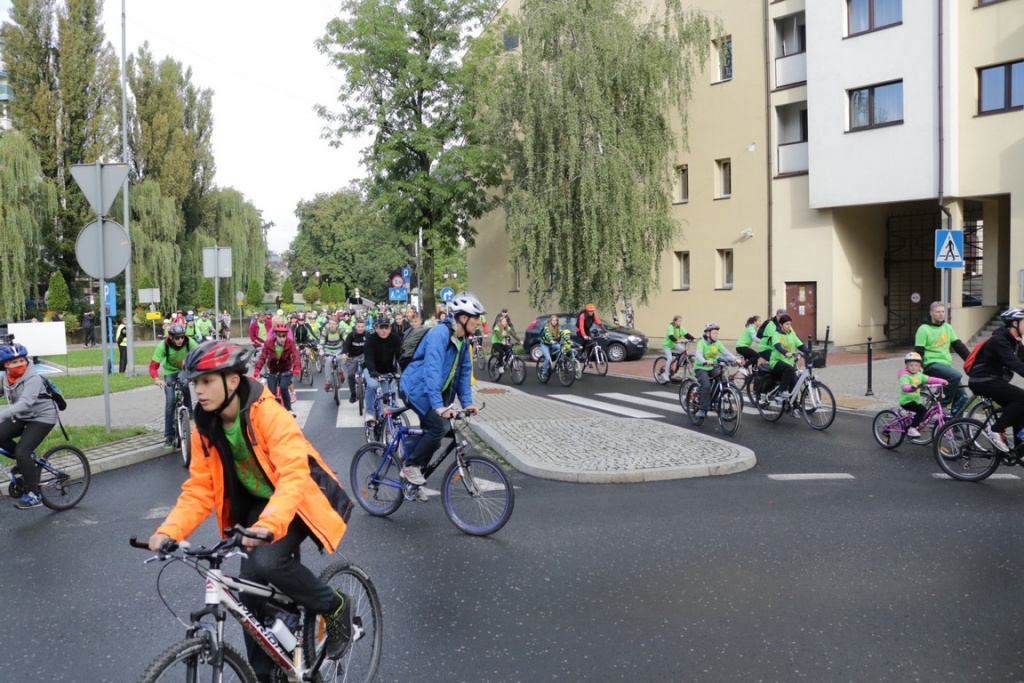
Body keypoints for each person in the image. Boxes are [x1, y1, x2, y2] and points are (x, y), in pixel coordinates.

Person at [147, 341, 353, 680]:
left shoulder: (268, 413)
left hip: (296, 500)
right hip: (258, 504)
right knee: (247, 593)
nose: (198, 390)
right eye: (195, 382)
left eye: (206, 381)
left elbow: (292, 474)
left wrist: (270, 524)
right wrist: (170, 531)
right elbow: (200, 488)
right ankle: (265, 672)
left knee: (269, 562)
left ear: (232, 381)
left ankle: (335, 605)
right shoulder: (206, 427)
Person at [399, 294, 482, 498]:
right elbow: (432, 371)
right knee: (439, 427)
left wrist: (467, 403)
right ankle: (410, 467)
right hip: (416, 389)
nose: (479, 322)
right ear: (463, 318)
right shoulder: (439, 334)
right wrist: (439, 406)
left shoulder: (463, 340)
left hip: (433, 392)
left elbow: (463, 373)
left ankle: (412, 483)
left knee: (437, 434)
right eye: (476, 317)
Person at [0, 343, 58, 509]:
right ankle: (26, 461)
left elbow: (26, 402)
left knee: (22, 451)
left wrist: (2, 414)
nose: (19, 364)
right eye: (14, 362)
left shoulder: (33, 378)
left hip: (43, 417)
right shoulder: (6, 377)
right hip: (23, 416)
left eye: (21, 360)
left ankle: (34, 494)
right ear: (6, 364)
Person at [965, 308, 1024, 452]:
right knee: (1022, 397)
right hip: (982, 380)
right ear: (1015, 323)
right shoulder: (999, 341)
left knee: (1019, 411)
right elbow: (1016, 365)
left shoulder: (1015, 342)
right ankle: (996, 429)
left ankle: (1019, 453)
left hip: (993, 380)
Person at [914, 301, 971, 415]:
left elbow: (959, 347)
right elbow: (919, 352)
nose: (941, 314)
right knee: (955, 375)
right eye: (937, 312)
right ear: (931, 313)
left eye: (943, 311)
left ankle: (954, 422)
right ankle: (943, 403)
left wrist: (973, 361)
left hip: (945, 366)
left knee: (963, 396)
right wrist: (918, 369)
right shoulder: (923, 329)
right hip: (930, 365)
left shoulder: (947, 328)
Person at [150, 322, 200, 448]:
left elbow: (200, 356)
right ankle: (169, 436)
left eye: (182, 337)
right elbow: (153, 366)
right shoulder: (163, 346)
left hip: (184, 370)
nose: (180, 340)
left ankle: (189, 411)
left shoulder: (189, 342)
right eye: (177, 338)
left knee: (184, 383)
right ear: (171, 337)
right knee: (170, 402)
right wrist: (157, 379)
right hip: (170, 373)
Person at [693, 323, 742, 418]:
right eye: (714, 333)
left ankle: (715, 398)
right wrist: (704, 361)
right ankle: (703, 409)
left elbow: (725, 352)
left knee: (723, 380)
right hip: (701, 367)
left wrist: (735, 359)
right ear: (708, 334)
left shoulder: (717, 343)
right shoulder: (701, 343)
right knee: (706, 385)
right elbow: (698, 354)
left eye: (717, 333)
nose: (716, 335)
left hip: (712, 366)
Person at [253, 319, 301, 414]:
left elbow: (296, 356)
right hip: (273, 369)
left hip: (285, 369)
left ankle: (289, 409)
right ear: (275, 335)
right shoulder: (268, 343)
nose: (282, 338)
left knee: (283, 387)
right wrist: (257, 370)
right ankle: (273, 411)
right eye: (280, 336)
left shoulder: (290, 343)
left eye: (284, 336)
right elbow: (263, 357)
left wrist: (297, 368)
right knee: (272, 392)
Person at [898, 352, 947, 439]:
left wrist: (941, 381)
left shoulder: (919, 375)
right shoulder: (904, 376)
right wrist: (911, 388)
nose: (913, 367)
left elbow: (930, 379)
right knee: (921, 411)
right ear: (907, 366)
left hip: (915, 400)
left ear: (919, 366)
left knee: (924, 411)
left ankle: (913, 424)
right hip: (906, 401)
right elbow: (904, 386)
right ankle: (912, 429)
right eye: (911, 365)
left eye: (916, 365)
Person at [362, 318, 402, 425]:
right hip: (371, 369)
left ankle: (392, 417)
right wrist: (373, 372)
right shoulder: (370, 339)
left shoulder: (395, 338)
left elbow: (399, 356)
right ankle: (370, 413)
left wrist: (405, 370)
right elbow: (368, 357)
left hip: (388, 371)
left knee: (390, 393)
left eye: (386, 328)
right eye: (381, 328)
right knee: (372, 385)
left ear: (390, 328)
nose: (384, 330)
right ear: (376, 329)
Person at [768, 314, 811, 406]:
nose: (789, 326)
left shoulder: (791, 333)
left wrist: (808, 352)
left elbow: (799, 344)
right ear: (781, 325)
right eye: (786, 324)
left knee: (794, 383)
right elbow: (778, 346)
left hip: (789, 362)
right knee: (790, 369)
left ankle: (794, 405)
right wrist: (785, 353)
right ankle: (780, 391)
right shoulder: (776, 334)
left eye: (790, 324)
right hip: (776, 361)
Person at [661, 316, 696, 382]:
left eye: (681, 321)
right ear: (675, 321)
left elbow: (686, 334)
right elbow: (671, 336)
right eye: (679, 321)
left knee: (683, 351)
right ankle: (666, 374)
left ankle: (678, 362)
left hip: (674, 344)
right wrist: (676, 340)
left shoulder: (680, 328)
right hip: (667, 345)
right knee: (669, 358)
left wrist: (693, 339)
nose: (680, 322)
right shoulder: (670, 327)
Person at [340, 319, 367, 404]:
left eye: (362, 327)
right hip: (353, 357)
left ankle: (368, 390)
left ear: (365, 327)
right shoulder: (351, 335)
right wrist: (344, 354)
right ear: (356, 327)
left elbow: (372, 345)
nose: (360, 328)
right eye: (359, 326)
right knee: (351, 375)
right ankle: (353, 394)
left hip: (364, 356)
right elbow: (346, 345)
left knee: (368, 374)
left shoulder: (367, 335)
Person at [538, 314, 570, 380]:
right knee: (547, 358)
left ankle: (558, 363)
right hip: (545, 344)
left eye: (556, 320)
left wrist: (568, 340)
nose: (554, 322)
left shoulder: (557, 328)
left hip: (552, 344)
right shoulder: (547, 327)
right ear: (550, 321)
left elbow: (563, 334)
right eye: (553, 320)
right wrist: (551, 340)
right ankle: (544, 372)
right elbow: (547, 335)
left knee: (559, 348)